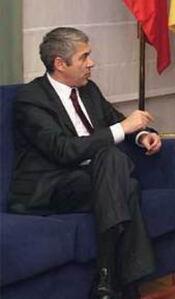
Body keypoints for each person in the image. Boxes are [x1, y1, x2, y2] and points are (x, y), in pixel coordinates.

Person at [9, 27, 162, 299]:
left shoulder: (88, 90)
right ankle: (123, 280)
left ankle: (105, 279)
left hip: (93, 179)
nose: (91, 63)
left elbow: (115, 120)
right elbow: (63, 150)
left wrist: (142, 136)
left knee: (112, 165)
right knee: (125, 183)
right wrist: (125, 128)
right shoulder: (31, 99)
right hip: (53, 184)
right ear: (60, 63)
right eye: (84, 57)